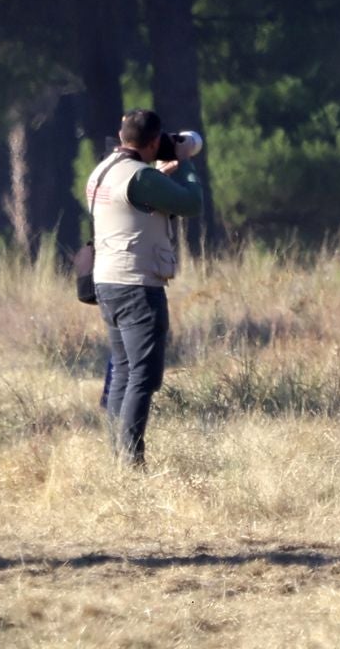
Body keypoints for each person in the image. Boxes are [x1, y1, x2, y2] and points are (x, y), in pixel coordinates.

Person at [85, 109, 202, 467]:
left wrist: (158, 175)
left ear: (123, 137)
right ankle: (132, 461)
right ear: (154, 142)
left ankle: (117, 455)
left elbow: (132, 206)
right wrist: (185, 164)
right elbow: (191, 204)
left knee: (122, 369)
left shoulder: (102, 170)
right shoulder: (141, 177)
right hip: (138, 285)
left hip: (106, 280)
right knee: (144, 376)